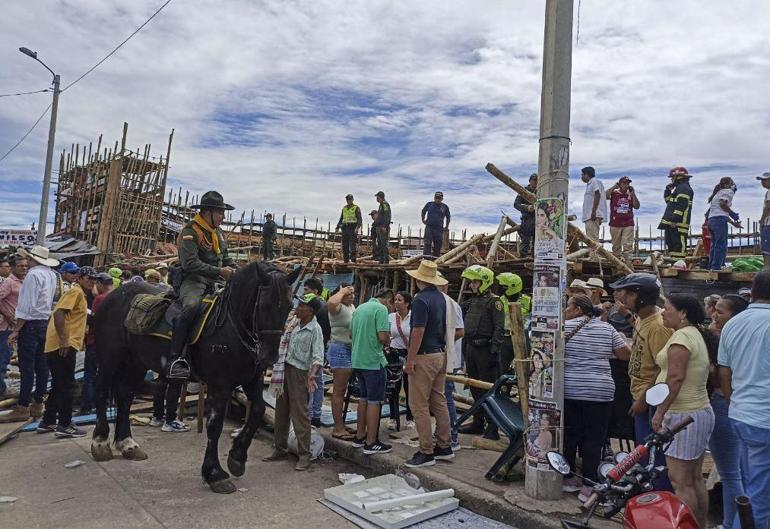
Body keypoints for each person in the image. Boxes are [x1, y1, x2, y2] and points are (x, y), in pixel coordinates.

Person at [651, 294, 713, 529]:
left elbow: (676, 377)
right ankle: (699, 525)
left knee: (681, 482)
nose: (663, 313)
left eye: (667, 309)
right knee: (694, 478)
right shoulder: (693, 334)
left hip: (683, 415)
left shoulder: (682, 337)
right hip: (696, 412)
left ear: (683, 313)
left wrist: (660, 412)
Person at [561, 294, 630, 501]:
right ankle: (589, 483)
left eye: (568, 307)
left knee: (571, 434)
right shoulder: (607, 328)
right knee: (594, 438)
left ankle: (569, 477)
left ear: (578, 310)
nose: (565, 311)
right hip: (600, 392)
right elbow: (625, 354)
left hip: (571, 389)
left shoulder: (564, 328)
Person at [609, 273, 673, 491]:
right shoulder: (644, 319)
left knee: (653, 458)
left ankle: (659, 500)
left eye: (626, 294)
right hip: (641, 394)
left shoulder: (659, 326)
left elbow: (663, 368)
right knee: (643, 454)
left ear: (640, 296)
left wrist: (643, 399)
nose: (622, 298)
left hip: (651, 400)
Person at [718, 271, 770, 528]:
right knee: (761, 494)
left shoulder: (733, 323)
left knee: (752, 483)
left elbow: (723, 370)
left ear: (753, 292)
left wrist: (731, 400)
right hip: (764, 418)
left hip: (740, 414)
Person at [169, 191, 236, 380]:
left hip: (217, 280)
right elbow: (189, 263)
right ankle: (176, 359)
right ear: (208, 212)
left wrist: (239, 270)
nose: (223, 216)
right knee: (191, 306)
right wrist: (220, 272)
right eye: (220, 212)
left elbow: (227, 258)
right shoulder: (190, 231)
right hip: (194, 279)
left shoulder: (218, 233)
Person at [264, 294, 325, 470]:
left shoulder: (315, 330)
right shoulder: (294, 323)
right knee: (281, 413)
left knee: (300, 415)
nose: (297, 308)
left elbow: (318, 357)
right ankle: (280, 448)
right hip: (285, 369)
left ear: (311, 311)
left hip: (300, 374)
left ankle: (304, 455)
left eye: (301, 306)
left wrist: (312, 375)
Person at [36, 266, 98, 438]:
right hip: (63, 345)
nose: (92, 281)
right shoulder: (76, 292)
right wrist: (64, 339)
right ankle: (64, 424)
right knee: (67, 385)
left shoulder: (80, 294)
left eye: (94, 279)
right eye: (89, 278)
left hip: (58, 344)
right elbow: (59, 314)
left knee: (58, 384)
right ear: (80, 278)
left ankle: (48, 420)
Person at [403, 260, 453, 467]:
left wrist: (410, 359)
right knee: (438, 401)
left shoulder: (420, 300)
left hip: (424, 355)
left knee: (419, 405)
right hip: (439, 353)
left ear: (417, 279)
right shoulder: (441, 298)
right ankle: (444, 444)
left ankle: (426, 450)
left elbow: (418, 331)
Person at [1, 246, 59, 423]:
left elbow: (26, 306)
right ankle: (37, 404)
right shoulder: (51, 275)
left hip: (31, 324)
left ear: (31, 259)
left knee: (27, 369)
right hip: (44, 322)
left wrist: (16, 330)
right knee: (42, 367)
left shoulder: (33, 276)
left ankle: (23, 406)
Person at [706, 294, 748, 529]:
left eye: (720, 311)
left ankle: (730, 523)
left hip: (725, 404)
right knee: (740, 471)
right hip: (738, 406)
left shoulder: (726, 340)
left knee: (730, 473)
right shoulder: (747, 338)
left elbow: (720, 376)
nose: (714, 315)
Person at [458, 265, 504, 439]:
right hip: (471, 349)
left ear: (485, 282)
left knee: (489, 389)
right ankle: (478, 423)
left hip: (486, 350)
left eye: (475, 282)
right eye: (472, 282)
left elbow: (499, 328)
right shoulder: (473, 301)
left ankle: (493, 427)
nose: (472, 285)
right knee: (474, 387)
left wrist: (494, 351)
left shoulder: (495, 302)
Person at [350, 289, 392, 454]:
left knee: (363, 398)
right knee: (375, 401)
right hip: (373, 361)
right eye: (391, 304)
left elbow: (351, 333)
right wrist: (388, 341)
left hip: (358, 359)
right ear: (387, 300)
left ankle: (360, 436)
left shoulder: (360, 308)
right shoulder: (381, 309)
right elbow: (382, 336)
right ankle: (371, 441)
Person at [437, 275, 464, 451]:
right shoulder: (440, 303)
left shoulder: (451, 305)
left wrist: (441, 342)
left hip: (448, 359)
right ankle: (442, 433)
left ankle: (452, 437)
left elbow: (460, 331)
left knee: (446, 399)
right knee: (440, 399)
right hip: (441, 357)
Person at [80, 272, 113, 415]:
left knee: (90, 375)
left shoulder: (100, 299)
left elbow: (93, 319)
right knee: (106, 373)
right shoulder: (115, 296)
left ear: (100, 284)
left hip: (95, 341)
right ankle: (105, 402)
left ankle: (87, 406)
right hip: (110, 343)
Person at [327, 284, 356, 440]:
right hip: (339, 349)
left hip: (350, 349)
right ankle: (337, 428)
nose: (351, 296)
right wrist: (342, 290)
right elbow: (330, 303)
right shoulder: (336, 308)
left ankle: (341, 423)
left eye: (352, 294)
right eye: (347, 294)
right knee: (338, 391)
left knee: (343, 390)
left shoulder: (351, 307)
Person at [303, 277, 331, 428]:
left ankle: (310, 415)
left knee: (311, 381)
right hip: (321, 348)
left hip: (313, 349)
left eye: (307, 290)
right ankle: (316, 415)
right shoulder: (325, 305)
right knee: (318, 382)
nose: (304, 293)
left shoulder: (315, 307)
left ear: (315, 291)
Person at [0, 256, 27, 398]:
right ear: (13, 267)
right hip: (6, 328)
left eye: (25, 266)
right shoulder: (9, 282)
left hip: (15, 327)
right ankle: (1, 390)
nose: (23, 268)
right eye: (20, 266)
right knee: (3, 358)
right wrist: (6, 315)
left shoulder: (24, 282)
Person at [495, 272, 531, 376]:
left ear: (513, 287)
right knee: (502, 368)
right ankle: (504, 389)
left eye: (505, 287)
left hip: (522, 337)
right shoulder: (500, 300)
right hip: (505, 338)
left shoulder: (528, 300)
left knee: (524, 366)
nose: (503, 289)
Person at [387, 291, 413, 430]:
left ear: (407, 303)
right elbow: (387, 334)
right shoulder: (391, 317)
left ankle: (410, 417)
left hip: (409, 353)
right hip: (394, 354)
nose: (396, 302)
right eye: (395, 299)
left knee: (409, 386)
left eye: (400, 300)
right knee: (393, 387)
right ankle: (392, 416)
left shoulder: (413, 317)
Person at [706, 177, 742, 271]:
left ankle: (711, 267)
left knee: (715, 245)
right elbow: (722, 205)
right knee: (721, 245)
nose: (733, 185)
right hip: (718, 221)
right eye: (732, 183)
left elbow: (720, 213)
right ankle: (717, 268)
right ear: (727, 184)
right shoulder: (727, 191)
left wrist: (733, 223)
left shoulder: (718, 192)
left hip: (711, 221)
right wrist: (732, 213)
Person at [658, 166, 694, 259]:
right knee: (672, 245)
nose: (672, 180)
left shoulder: (684, 188)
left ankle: (679, 265)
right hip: (673, 223)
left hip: (679, 223)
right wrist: (667, 190)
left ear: (679, 177)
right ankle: (674, 263)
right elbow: (669, 202)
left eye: (672, 178)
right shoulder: (678, 188)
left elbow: (682, 205)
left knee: (678, 246)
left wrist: (674, 220)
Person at [606, 176, 639, 261]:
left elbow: (637, 206)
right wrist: (614, 187)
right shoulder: (614, 193)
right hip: (615, 223)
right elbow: (605, 196)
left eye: (627, 183)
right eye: (624, 183)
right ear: (620, 184)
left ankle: (628, 264)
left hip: (628, 223)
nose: (626, 185)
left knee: (627, 245)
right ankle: (617, 267)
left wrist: (633, 194)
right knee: (616, 246)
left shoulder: (630, 194)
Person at [581, 166, 607, 258]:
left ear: (587, 174)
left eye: (583, 174)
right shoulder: (590, 184)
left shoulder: (594, 182)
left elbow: (597, 194)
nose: (582, 177)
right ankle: (593, 257)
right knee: (590, 238)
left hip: (592, 215)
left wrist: (593, 211)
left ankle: (594, 258)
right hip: (590, 216)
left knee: (593, 239)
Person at [514, 173, 537, 256]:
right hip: (527, 219)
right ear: (530, 181)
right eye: (534, 180)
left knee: (537, 241)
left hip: (538, 219)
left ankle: (535, 257)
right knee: (525, 239)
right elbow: (516, 204)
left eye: (537, 180)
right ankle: (523, 257)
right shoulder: (523, 191)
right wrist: (527, 208)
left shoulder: (541, 191)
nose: (535, 182)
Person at [421, 191, 450, 257]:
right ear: (434, 198)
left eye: (439, 198)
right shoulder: (429, 204)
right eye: (436, 197)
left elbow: (448, 217)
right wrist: (423, 219)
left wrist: (446, 226)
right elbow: (423, 211)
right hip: (429, 227)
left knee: (438, 244)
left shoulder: (445, 207)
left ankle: (435, 259)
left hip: (439, 229)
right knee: (427, 242)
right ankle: (426, 259)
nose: (437, 199)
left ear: (442, 199)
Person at [336, 194, 362, 263]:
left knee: (352, 245)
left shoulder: (356, 208)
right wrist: (337, 227)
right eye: (347, 199)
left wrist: (357, 228)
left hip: (352, 228)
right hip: (344, 228)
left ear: (352, 199)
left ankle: (353, 260)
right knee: (345, 245)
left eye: (350, 199)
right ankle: (346, 260)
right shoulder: (344, 208)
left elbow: (359, 219)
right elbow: (341, 218)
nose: (348, 201)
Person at [756, 172, 770, 269]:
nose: (762, 182)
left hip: (768, 224)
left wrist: (762, 220)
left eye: (764, 180)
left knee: (766, 248)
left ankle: (767, 268)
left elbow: (768, 206)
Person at [374, 191, 391, 264]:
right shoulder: (380, 205)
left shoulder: (385, 204)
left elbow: (387, 216)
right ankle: (381, 259)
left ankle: (386, 260)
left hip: (382, 227)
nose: (376, 199)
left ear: (381, 197)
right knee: (380, 244)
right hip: (379, 226)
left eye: (377, 197)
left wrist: (385, 226)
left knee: (383, 244)